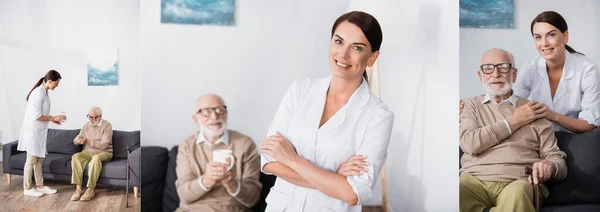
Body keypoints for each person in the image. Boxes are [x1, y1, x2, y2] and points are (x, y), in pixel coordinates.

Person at [260, 11, 394, 211]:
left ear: (372, 58)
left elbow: (352, 194)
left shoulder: (378, 116)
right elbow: (269, 161)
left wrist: (291, 159)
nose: (343, 54)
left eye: (357, 47)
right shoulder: (299, 91)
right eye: (339, 42)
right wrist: (337, 180)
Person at [459, 48, 567, 212]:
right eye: (488, 68)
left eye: (503, 67)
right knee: (454, 192)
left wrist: (550, 166)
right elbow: (470, 143)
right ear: (480, 75)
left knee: (518, 193)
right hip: (474, 181)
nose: (495, 74)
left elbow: (557, 160)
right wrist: (514, 121)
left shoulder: (535, 110)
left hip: (518, 182)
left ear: (514, 74)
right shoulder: (469, 106)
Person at [460, 11, 600, 133]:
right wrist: (469, 108)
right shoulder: (531, 68)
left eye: (551, 35)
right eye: (538, 37)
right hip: (541, 136)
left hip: (577, 137)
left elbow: (590, 124)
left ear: (565, 36)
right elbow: (510, 102)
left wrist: (553, 115)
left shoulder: (586, 69)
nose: (544, 43)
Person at [175, 94, 261, 212]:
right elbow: (184, 195)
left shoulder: (245, 144)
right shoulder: (187, 146)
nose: (215, 116)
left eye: (220, 110)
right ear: (196, 118)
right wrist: (207, 179)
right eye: (206, 112)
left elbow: (253, 198)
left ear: (226, 114)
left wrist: (231, 183)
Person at [17, 70, 65, 197]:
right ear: (49, 81)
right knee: (31, 159)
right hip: (33, 131)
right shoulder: (38, 94)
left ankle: (40, 186)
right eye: (56, 83)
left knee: (39, 159)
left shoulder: (44, 92)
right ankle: (27, 188)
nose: (57, 86)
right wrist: (53, 117)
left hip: (39, 131)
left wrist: (53, 120)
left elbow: (41, 113)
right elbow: (36, 116)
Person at [70, 106, 113, 201]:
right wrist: (78, 140)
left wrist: (89, 142)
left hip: (104, 152)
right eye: (90, 117)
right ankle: (78, 189)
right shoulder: (86, 126)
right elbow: (76, 138)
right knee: (76, 157)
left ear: (100, 116)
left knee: (96, 159)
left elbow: (105, 145)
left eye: (95, 117)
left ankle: (90, 189)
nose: (92, 120)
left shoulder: (107, 125)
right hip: (89, 152)